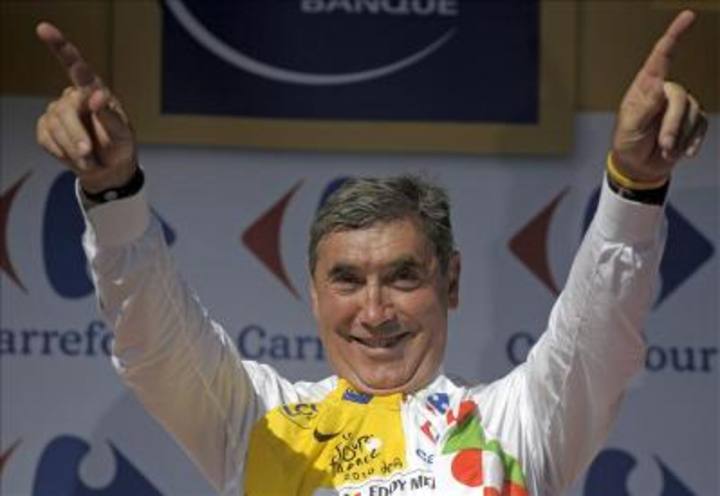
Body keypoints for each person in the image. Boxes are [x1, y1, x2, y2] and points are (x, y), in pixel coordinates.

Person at [35, 11, 708, 496]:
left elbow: (600, 334)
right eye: (348, 280)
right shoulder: (259, 422)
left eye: (404, 277)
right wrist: (113, 189)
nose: (376, 311)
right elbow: (156, 339)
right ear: (313, 293)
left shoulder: (518, 424)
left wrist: (634, 185)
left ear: (450, 282)